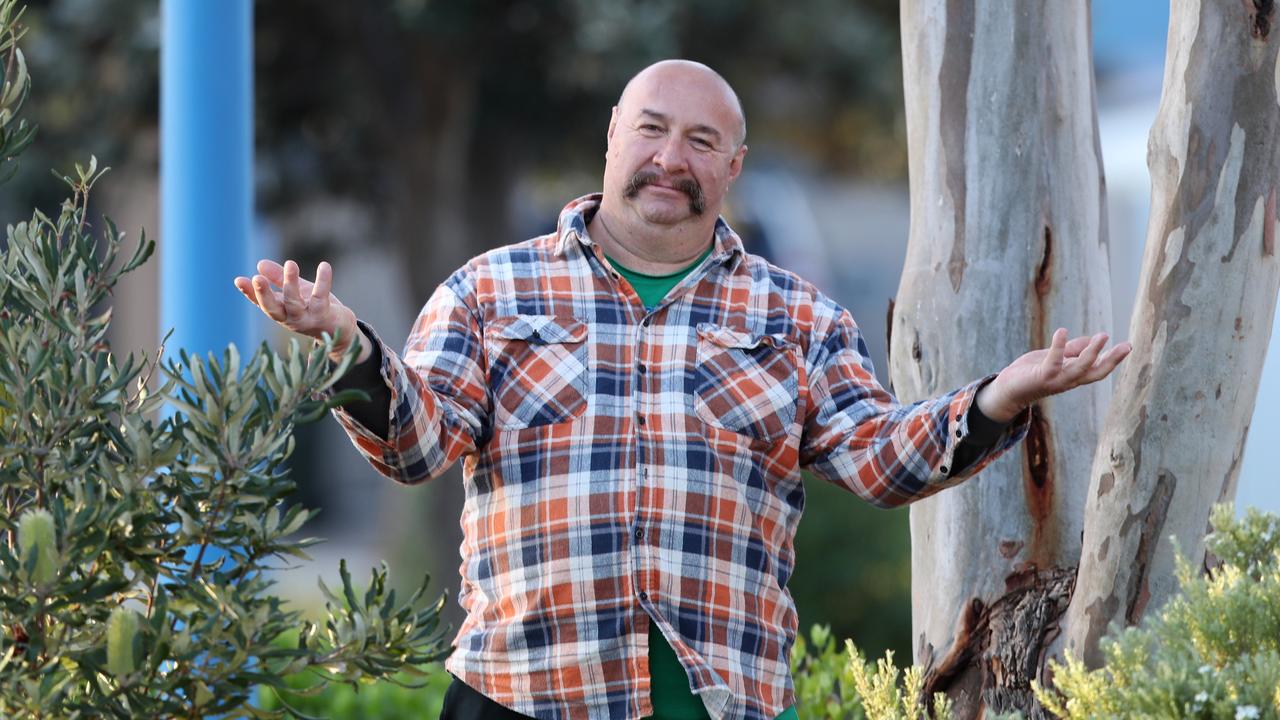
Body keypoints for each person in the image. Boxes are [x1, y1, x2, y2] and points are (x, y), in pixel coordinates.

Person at [234, 59, 1130, 720]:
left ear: (732, 167)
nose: (672, 157)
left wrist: (998, 398)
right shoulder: (489, 293)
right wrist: (348, 346)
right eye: (653, 130)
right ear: (614, 137)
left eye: (702, 141)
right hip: (523, 698)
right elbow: (416, 444)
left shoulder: (797, 317)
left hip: (725, 703)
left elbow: (876, 460)